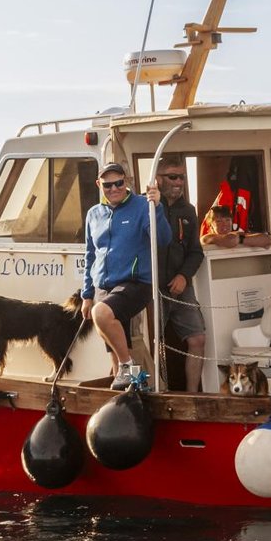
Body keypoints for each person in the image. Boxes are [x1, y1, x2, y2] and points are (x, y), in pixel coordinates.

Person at [82, 161, 172, 390]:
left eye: (118, 183)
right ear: (98, 185)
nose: (113, 189)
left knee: (101, 314)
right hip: (104, 286)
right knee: (115, 349)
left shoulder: (143, 206)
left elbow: (163, 240)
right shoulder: (94, 214)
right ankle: (133, 385)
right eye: (107, 185)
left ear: (127, 181)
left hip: (136, 283)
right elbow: (90, 255)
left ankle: (130, 369)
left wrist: (157, 207)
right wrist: (87, 294)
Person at [152, 156, 206, 392]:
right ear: (158, 179)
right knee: (152, 342)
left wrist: (184, 276)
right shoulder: (146, 206)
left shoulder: (189, 210)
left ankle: (193, 395)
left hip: (181, 287)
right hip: (151, 288)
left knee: (198, 340)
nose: (179, 182)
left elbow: (196, 252)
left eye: (182, 177)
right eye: (173, 176)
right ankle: (156, 392)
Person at [202, 203, 271, 249]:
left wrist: (240, 238)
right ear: (211, 225)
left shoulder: (237, 234)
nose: (224, 224)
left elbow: (268, 240)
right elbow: (230, 241)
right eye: (219, 221)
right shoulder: (207, 238)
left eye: (227, 220)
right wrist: (245, 239)